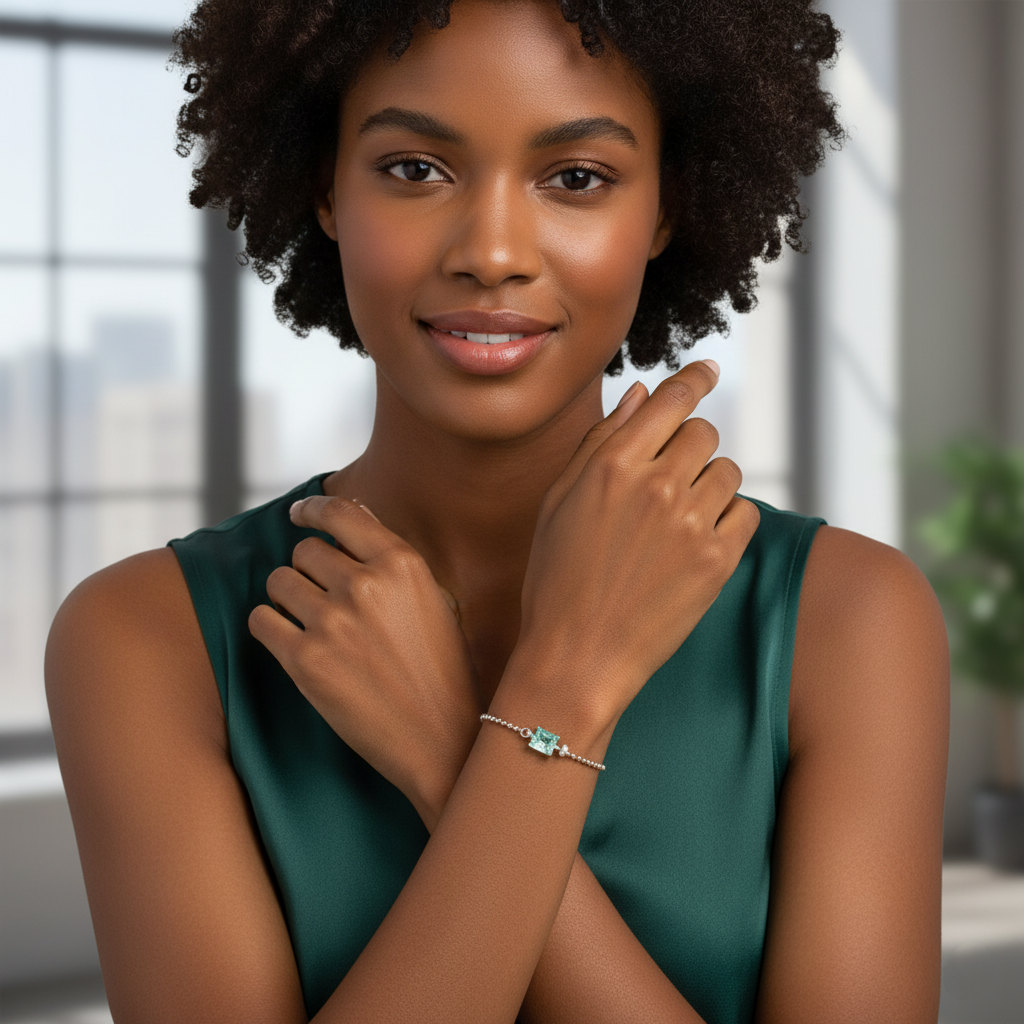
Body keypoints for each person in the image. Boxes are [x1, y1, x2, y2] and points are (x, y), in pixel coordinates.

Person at [44, 1, 950, 1021]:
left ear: (666, 207)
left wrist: (464, 751)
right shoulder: (146, 635)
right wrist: (548, 718)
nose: (492, 250)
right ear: (324, 187)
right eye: (415, 169)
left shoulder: (845, 619)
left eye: (575, 178)